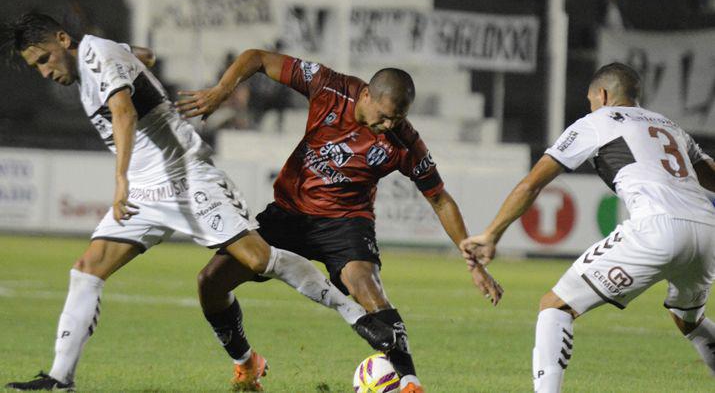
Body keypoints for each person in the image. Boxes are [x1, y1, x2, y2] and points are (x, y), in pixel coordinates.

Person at [1, 13, 395, 392]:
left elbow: (122, 112)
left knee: (258, 260)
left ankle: (354, 314)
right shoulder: (103, 55)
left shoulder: (97, 55)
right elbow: (147, 57)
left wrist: (119, 182)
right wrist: (133, 62)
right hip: (144, 190)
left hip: (183, 175)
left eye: (44, 59)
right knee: (87, 270)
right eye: (36, 66)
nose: (45, 71)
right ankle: (60, 378)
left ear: (63, 41)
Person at [177, 49, 504, 393]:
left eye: (399, 118)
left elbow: (439, 198)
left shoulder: (404, 142)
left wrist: (472, 262)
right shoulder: (329, 87)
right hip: (289, 214)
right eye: (386, 115)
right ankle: (246, 364)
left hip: (346, 223)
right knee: (210, 282)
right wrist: (221, 90)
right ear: (366, 94)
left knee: (370, 290)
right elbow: (258, 58)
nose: (390, 125)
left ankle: (409, 383)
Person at [460, 62, 715, 392]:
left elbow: (532, 184)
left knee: (555, 306)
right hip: (708, 230)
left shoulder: (597, 121)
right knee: (688, 321)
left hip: (657, 227)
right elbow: (710, 173)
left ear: (603, 95)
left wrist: (492, 233)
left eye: (591, 100)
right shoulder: (669, 126)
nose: (590, 107)